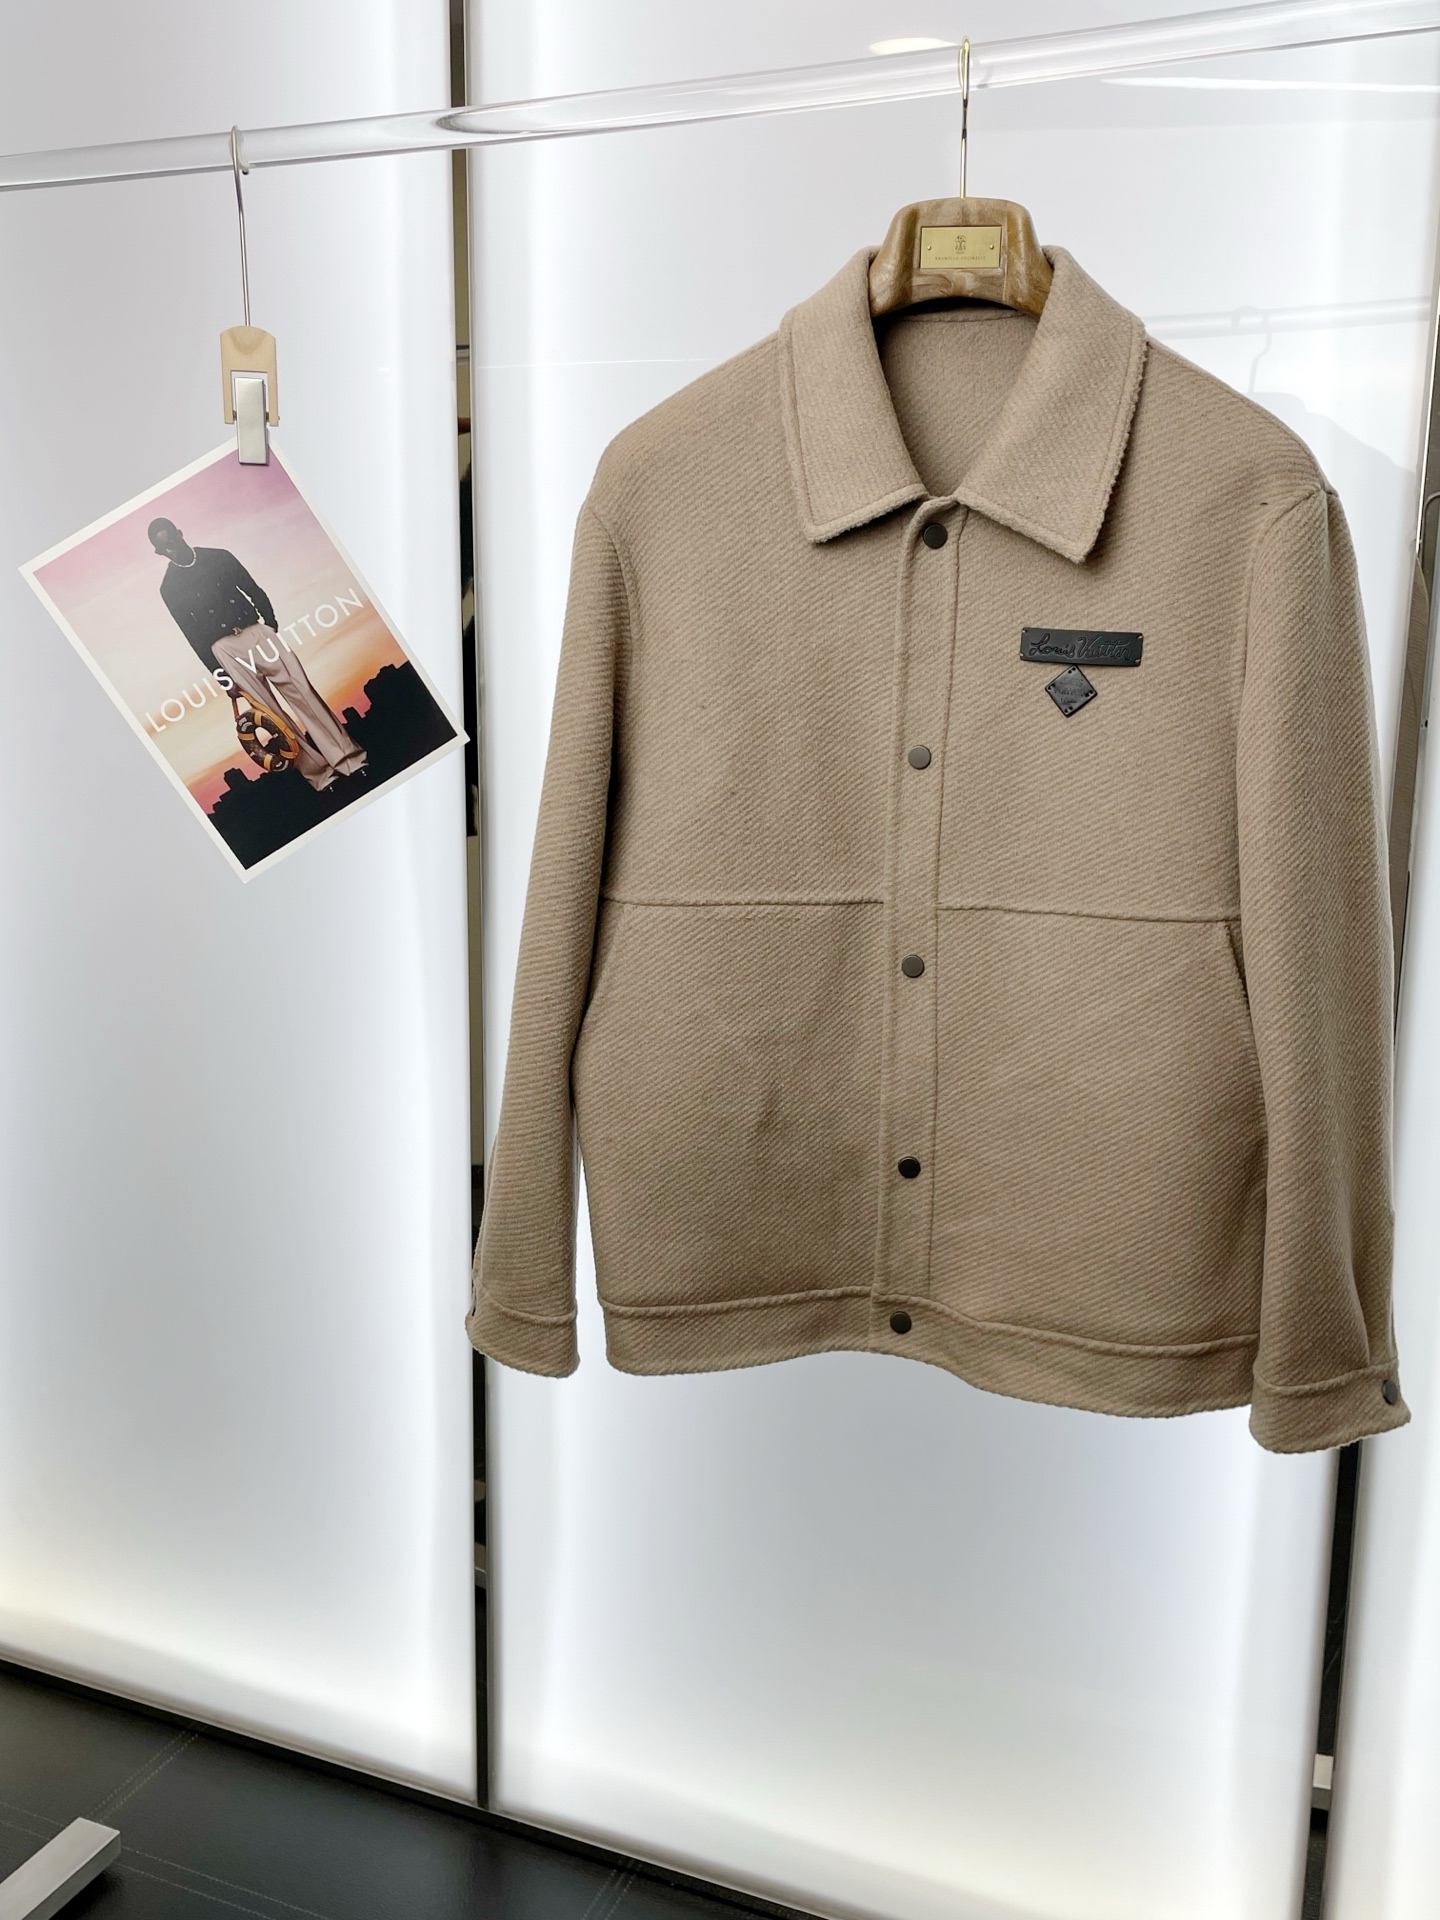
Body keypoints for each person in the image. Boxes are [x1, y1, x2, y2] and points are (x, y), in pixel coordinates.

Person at [148, 517, 366, 792]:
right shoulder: (169, 587)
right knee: (272, 716)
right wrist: (223, 678)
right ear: (160, 552)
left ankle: (349, 760)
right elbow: (193, 636)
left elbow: (251, 588)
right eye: (164, 547)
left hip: (256, 631)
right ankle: (321, 777)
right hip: (224, 650)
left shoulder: (218, 556)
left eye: (171, 540)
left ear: (180, 534)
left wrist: (269, 624)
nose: (171, 548)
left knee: (304, 694)